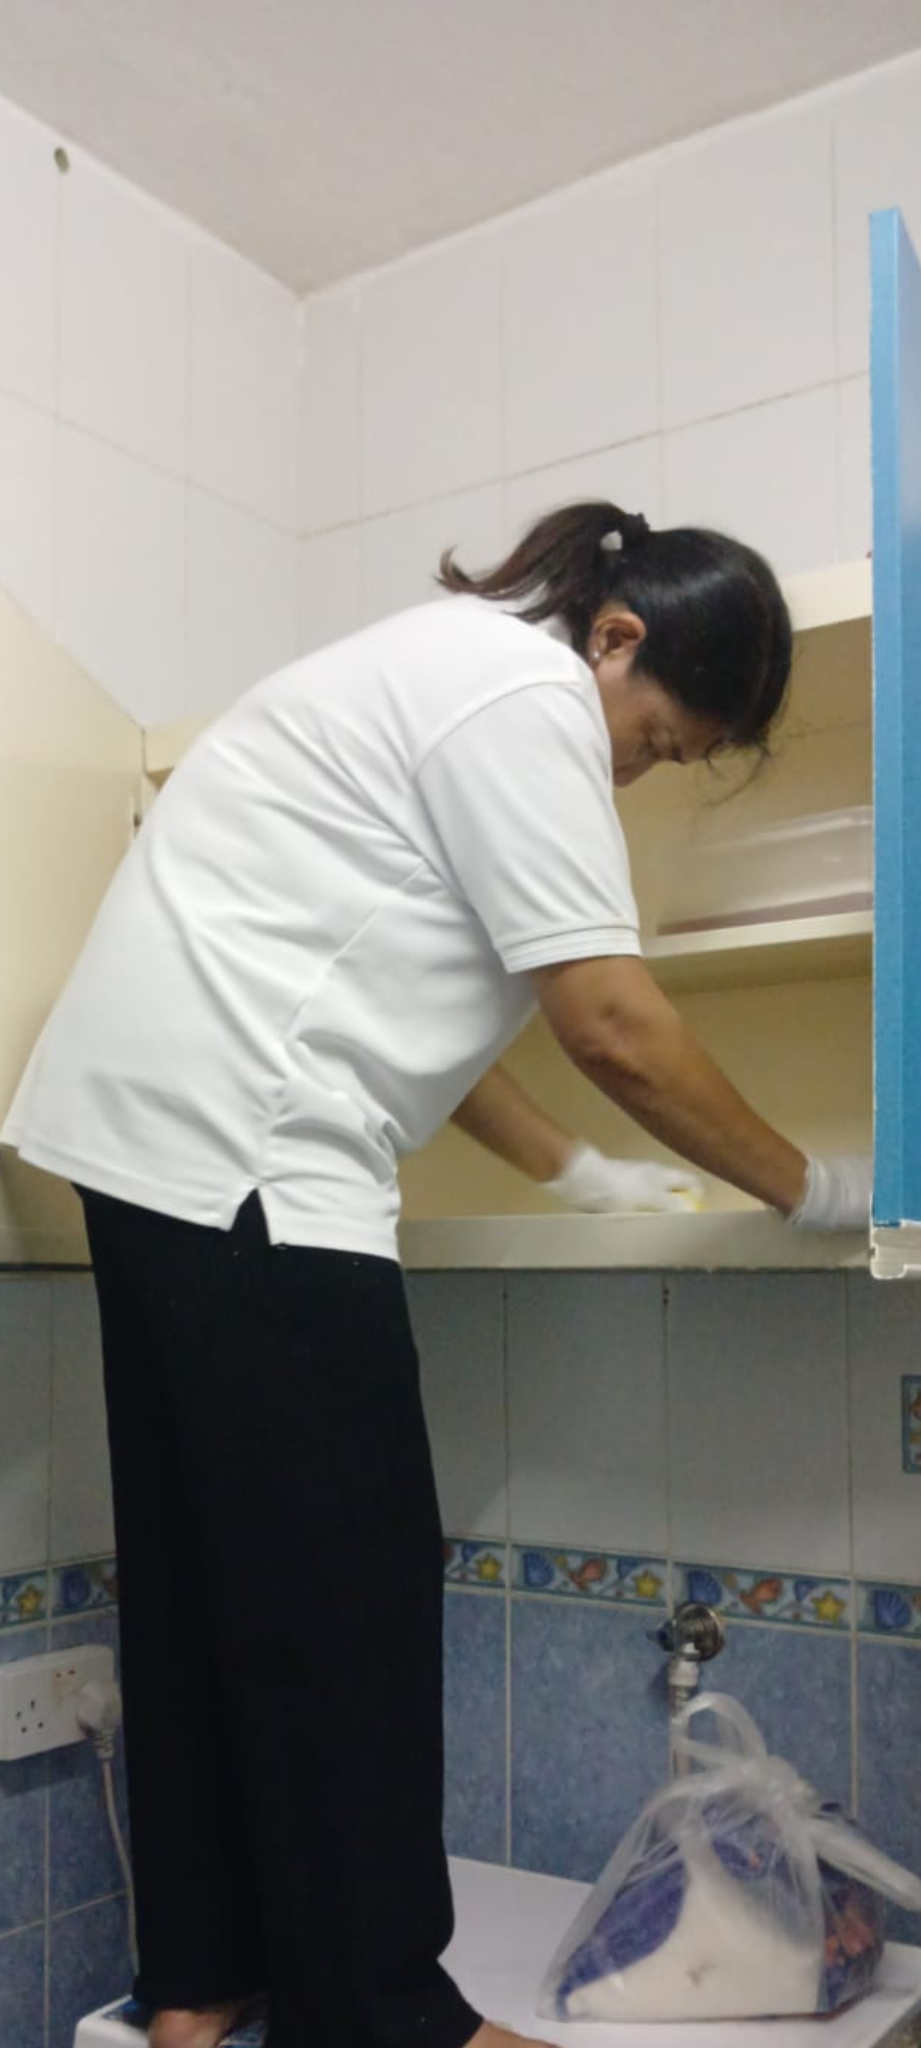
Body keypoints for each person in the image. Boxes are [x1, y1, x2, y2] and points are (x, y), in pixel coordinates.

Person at [0, 502, 870, 2048]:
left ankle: (203, 1985)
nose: (641, 769)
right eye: (663, 739)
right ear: (618, 638)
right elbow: (611, 1021)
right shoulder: (524, 698)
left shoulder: (437, 681)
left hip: (149, 1148)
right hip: (247, 1157)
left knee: (212, 1594)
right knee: (346, 1601)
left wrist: (573, 1171)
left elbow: (421, 1011)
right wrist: (813, 1187)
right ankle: (387, 2015)